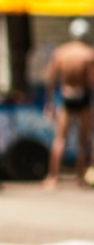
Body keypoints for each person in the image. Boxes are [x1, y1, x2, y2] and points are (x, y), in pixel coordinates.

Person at [43, 18, 94, 189]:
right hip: (83, 98)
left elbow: (50, 79)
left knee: (60, 139)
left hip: (66, 96)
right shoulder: (88, 54)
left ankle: (53, 177)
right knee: (83, 139)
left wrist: (49, 102)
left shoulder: (61, 53)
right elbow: (91, 81)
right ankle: (80, 177)